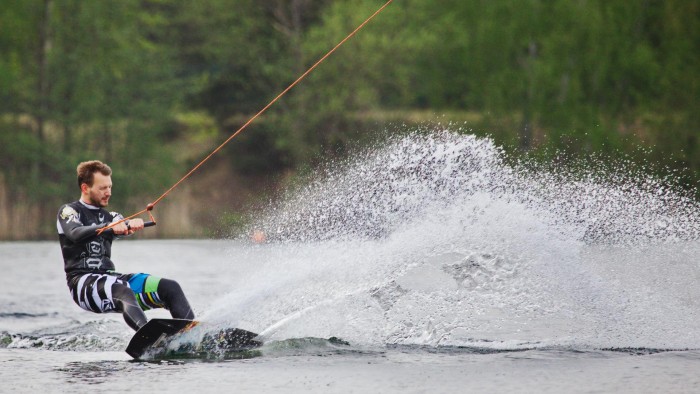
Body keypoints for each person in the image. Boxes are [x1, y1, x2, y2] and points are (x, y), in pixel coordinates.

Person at [57, 160, 195, 331]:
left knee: (170, 287)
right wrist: (107, 227)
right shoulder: (69, 211)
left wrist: (132, 224)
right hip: (82, 284)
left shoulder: (112, 216)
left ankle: (191, 334)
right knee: (123, 291)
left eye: (110, 187)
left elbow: (121, 223)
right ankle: (149, 337)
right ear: (85, 188)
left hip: (111, 278)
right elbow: (74, 233)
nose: (108, 193)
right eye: (102, 188)